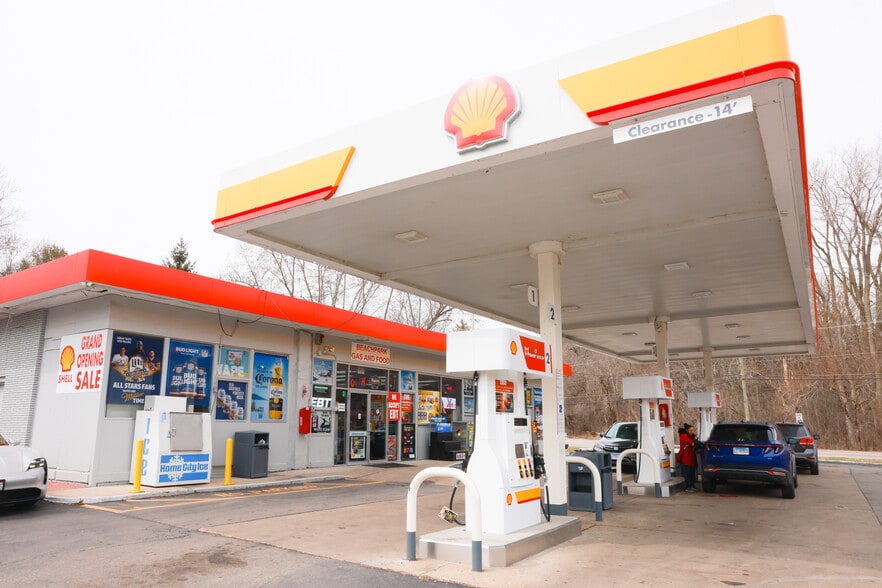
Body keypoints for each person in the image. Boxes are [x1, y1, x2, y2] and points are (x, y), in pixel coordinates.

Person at [678, 422, 698, 492]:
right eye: (691, 430)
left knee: (691, 473)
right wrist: (695, 440)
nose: (692, 432)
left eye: (693, 430)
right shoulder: (684, 436)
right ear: (687, 430)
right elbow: (692, 443)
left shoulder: (689, 436)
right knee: (687, 473)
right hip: (686, 458)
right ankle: (688, 487)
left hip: (691, 458)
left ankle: (692, 485)